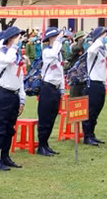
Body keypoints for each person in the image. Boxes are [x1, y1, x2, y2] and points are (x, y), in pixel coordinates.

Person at [0, 26, 26, 170]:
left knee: (10, 128)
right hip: (2, 94)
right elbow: (7, 59)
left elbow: (20, 78)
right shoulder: (1, 53)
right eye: (17, 37)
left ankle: (5, 156)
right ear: (10, 38)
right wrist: (13, 46)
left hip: (14, 94)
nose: (19, 39)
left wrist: (22, 98)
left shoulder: (16, 55)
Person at [36, 27, 63, 156]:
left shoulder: (58, 52)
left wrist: (62, 88)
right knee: (45, 117)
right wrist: (57, 41)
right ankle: (41, 145)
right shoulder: (47, 51)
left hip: (56, 88)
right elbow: (52, 54)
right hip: (47, 87)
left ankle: (46, 144)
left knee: (52, 117)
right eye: (56, 37)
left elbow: (60, 71)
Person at [81, 27, 107, 146]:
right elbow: (91, 51)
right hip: (92, 83)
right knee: (90, 111)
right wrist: (98, 40)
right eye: (104, 35)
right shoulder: (93, 49)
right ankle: (87, 136)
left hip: (100, 83)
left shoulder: (102, 51)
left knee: (96, 111)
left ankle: (92, 134)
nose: (106, 37)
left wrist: (105, 83)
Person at [66, 31, 87, 97]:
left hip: (83, 73)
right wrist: (82, 40)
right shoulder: (74, 46)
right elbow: (78, 48)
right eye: (82, 38)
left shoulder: (84, 47)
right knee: (74, 93)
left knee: (83, 94)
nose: (84, 39)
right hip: (75, 73)